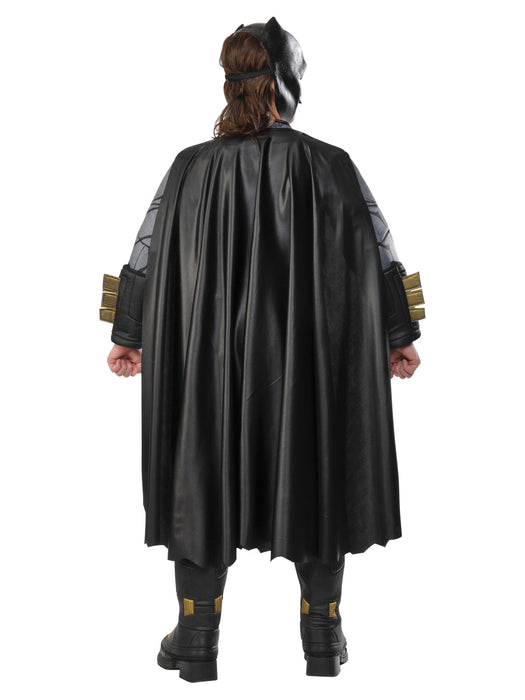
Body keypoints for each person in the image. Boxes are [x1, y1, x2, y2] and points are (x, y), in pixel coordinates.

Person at [100, 17, 424, 683]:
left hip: (208, 366)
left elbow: (148, 248)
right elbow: (375, 250)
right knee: (315, 465)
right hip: (305, 365)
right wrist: (400, 335)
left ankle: (197, 636)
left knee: (200, 470)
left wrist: (127, 332)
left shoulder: (190, 167)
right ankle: (321, 632)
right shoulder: (330, 164)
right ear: (283, 85)